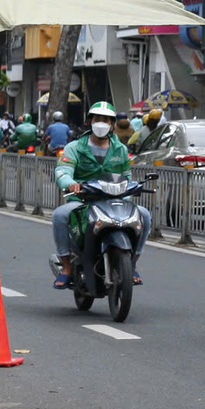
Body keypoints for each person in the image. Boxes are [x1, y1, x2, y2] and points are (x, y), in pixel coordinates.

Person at [51, 100, 146, 288]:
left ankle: (132, 263)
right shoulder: (75, 147)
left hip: (114, 201)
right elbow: (63, 171)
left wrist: (130, 190)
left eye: (106, 120)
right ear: (90, 122)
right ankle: (67, 267)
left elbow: (126, 176)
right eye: (97, 119)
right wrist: (71, 184)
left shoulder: (121, 149)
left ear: (112, 125)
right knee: (60, 215)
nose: (101, 123)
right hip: (83, 201)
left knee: (144, 215)